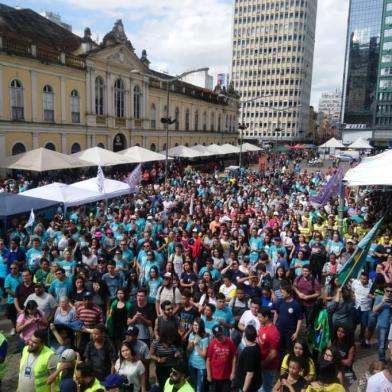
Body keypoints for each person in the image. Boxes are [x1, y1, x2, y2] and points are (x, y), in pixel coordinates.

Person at [273, 285, 303, 357]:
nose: (281, 294)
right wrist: (274, 325)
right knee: (280, 349)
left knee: (290, 350)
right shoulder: (280, 301)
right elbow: (276, 312)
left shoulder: (296, 305)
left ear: (289, 294)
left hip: (290, 332)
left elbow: (300, 319)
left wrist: (296, 333)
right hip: (280, 330)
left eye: (283, 292)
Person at [206, 325, 236, 392]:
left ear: (222, 333)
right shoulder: (212, 343)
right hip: (215, 376)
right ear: (214, 335)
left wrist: (233, 372)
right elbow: (208, 359)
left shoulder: (230, 342)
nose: (219, 337)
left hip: (227, 376)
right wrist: (209, 374)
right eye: (217, 335)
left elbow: (234, 357)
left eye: (220, 335)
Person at [258, 307, 280, 392]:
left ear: (266, 317)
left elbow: (273, 353)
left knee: (267, 387)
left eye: (260, 317)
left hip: (268, 366)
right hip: (261, 362)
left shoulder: (273, 332)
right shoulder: (262, 325)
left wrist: (263, 364)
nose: (258, 319)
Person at [235, 325, 262, 392]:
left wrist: (244, 390)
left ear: (245, 336)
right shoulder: (256, 346)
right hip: (255, 384)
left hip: (248, 387)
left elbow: (250, 374)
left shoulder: (248, 352)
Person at [187, 318, 209, 392]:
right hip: (192, 364)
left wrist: (196, 345)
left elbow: (204, 354)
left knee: (199, 389)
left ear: (201, 326)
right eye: (194, 325)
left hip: (201, 366)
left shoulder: (205, 337)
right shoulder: (191, 335)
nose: (195, 327)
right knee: (194, 386)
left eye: (197, 325)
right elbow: (188, 350)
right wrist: (192, 343)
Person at [372, 282, 392, 363]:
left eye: (391, 292)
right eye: (388, 291)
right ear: (384, 290)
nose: (389, 293)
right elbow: (374, 310)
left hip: (391, 326)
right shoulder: (379, 298)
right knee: (381, 346)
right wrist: (382, 302)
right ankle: (382, 362)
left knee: (389, 346)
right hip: (382, 325)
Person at [352, 272, 372, 347]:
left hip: (366, 308)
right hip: (356, 306)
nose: (363, 280)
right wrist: (353, 295)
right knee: (354, 323)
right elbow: (351, 290)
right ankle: (351, 336)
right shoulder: (355, 283)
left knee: (364, 325)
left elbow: (374, 295)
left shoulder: (371, 285)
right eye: (361, 278)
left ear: (367, 279)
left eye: (364, 279)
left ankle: (361, 337)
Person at [4, 263, 22, 335]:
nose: (13, 270)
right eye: (11, 268)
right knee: (13, 316)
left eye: (15, 268)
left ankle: (21, 327)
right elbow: (7, 290)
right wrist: (16, 295)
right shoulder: (8, 277)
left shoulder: (22, 275)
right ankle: (14, 328)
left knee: (22, 315)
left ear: (18, 268)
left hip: (22, 300)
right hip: (12, 300)